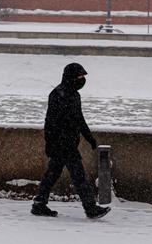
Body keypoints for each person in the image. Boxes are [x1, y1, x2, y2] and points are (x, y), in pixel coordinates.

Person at [31, 62, 110, 219]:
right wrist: (50, 143)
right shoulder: (57, 95)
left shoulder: (74, 95)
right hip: (63, 144)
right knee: (79, 176)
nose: (82, 80)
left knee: (52, 174)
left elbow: (79, 119)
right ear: (70, 78)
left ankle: (39, 204)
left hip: (68, 143)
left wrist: (89, 138)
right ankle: (90, 208)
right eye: (79, 77)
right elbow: (50, 122)